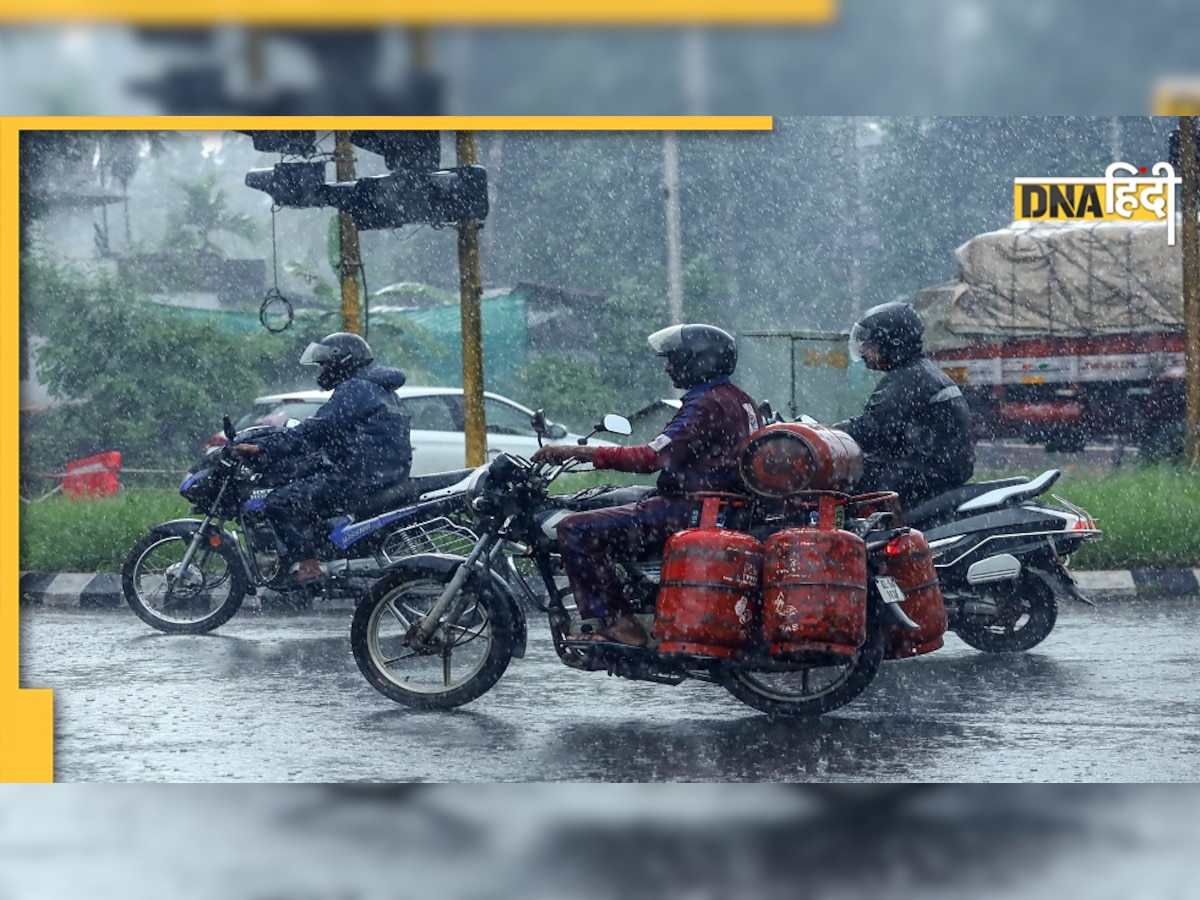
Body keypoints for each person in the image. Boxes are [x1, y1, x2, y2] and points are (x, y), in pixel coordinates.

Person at [531, 323, 763, 647]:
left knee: (575, 529)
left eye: (674, 358)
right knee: (613, 508)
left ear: (698, 360)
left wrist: (580, 451)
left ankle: (619, 623)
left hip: (691, 509)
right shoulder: (739, 398)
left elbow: (651, 457)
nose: (669, 366)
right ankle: (642, 596)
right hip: (721, 508)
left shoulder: (706, 403)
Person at [232, 332, 412, 583]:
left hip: (356, 476)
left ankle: (308, 567)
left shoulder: (355, 389)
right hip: (382, 473)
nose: (323, 369)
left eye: (326, 363)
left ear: (344, 361)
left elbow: (316, 430)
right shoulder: (382, 390)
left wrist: (264, 448)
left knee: (279, 502)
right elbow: (337, 435)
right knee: (306, 493)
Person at [833, 301, 975, 508]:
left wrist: (828, 434)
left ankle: (847, 535)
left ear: (894, 343)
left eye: (870, 344)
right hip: (937, 469)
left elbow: (872, 431)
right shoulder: (918, 372)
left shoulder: (908, 379)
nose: (863, 351)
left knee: (840, 481)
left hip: (926, 473)